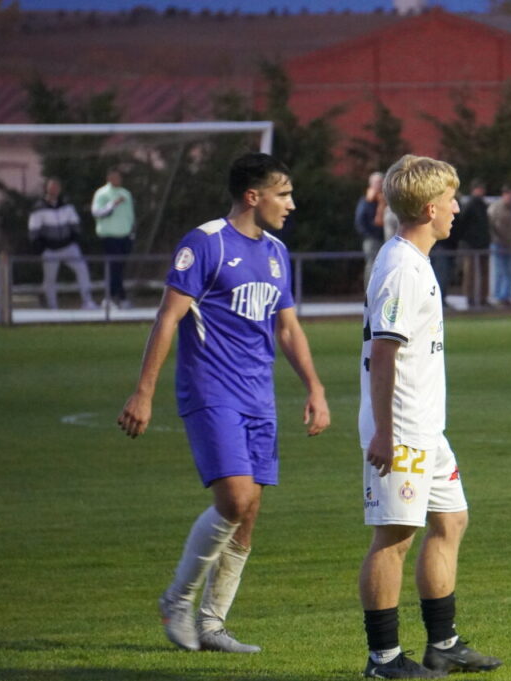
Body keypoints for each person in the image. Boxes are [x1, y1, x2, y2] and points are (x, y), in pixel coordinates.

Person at [117, 153, 331, 654]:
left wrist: (315, 387)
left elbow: (287, 326)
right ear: (253, 196)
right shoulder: (205, 243)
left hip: (260, 396)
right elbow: (167, 318)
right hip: (211, 391)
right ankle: (178, 600)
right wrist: (143, 392)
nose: (292, 204)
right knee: (234, 498)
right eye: (284, 194)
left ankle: (212, 624)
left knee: (249, 510)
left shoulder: (277, 252)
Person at [358, 154, 502, 679]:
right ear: (427, 207)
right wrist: (385, 434)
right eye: (449, 199)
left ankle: (443, 644)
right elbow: (384, 355)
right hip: (401, 428)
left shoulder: (415, 262)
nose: (457, 207)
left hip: (425, 427)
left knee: (451, 520)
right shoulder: (400, 268)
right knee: (394, 537)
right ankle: (384, 660)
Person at [28, 177, 98, 310]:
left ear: (59, 189)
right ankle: (52, 306)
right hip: (50, 249)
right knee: (50, 279)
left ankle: (87, 301)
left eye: (56, 187)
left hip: (68, 247)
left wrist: (75, 240)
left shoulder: (67, 205)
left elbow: (75, 225)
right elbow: (34, 230)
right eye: (51, 187)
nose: (54, 189)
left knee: (82, 270)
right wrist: (41, 248)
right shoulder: (38, 208)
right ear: (46, 188)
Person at [91, 168, 136, 308]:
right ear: (109, 178)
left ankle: (119, 297)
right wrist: (113, 204)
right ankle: (110, 298)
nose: (117, 180)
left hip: (125, 236)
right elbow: (97, 212)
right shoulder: (102, 194)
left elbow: (130, 214)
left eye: (119, 177)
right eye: (114, 177)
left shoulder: (126, 193)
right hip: (110, 236)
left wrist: (132, 232)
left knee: (120, 268)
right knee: (113, 268)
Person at [455, 180, 491, 307]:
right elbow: (462, 224)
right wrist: (467, 239)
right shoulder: (470, 205)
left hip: (482, 244)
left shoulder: (482, 205)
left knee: (484, 272)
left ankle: (483, 298)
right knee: (470, 273)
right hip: (470, 244)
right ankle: (470, 298)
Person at [487, 184, 511, 306]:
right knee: (500, 271)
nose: (509, 197)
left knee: (509, 271)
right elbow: (490, 227)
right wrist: (496, 239)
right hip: (498, 244)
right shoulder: (495, 208)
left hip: (510, 244)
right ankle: (499, 296)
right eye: (507, 194)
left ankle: (505, 296)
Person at [356, 172, 388, 287]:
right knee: (372, 265)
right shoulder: (366, 201)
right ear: (371, 184)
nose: (379, 185)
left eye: (381, 182)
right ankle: (369, 294)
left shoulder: (386, 200)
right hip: (371, 239)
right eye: (377, 182)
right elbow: (360, 220)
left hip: (386, 238)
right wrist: (368, 234)